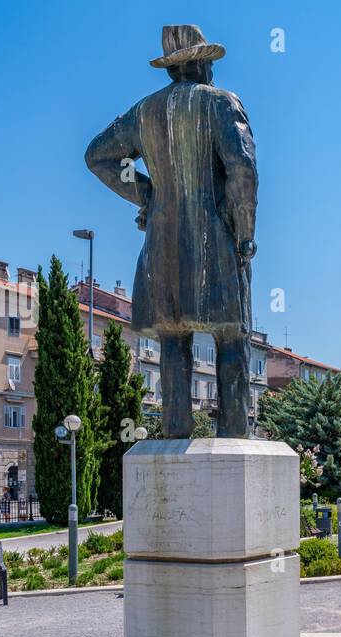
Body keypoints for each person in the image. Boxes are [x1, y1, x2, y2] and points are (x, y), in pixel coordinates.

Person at [85, 24, 258, 439]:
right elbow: (242, 169)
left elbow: (99, 156)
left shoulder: (144, 112)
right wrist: (245, 231)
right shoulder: (220, 103)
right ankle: (234, 436)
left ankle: (175, 432)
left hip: (162, 240)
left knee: (173, 339)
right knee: (232, 336)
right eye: (209, 63)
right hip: (216, 234)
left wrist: (148, 193)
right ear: (199, 63)